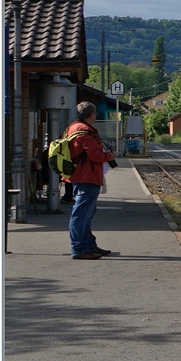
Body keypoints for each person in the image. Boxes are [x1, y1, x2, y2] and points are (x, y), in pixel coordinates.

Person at [64, 101, 116, 260]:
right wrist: (110, 156)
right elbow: (95, 156)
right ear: (92, 115)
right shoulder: (85, 131)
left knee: (85, 215)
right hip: (87, 176)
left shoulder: (72, 127)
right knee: (81, 215)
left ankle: (89, 246)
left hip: (81, 175)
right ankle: (79, 249)